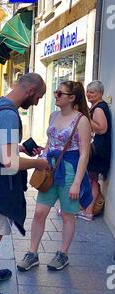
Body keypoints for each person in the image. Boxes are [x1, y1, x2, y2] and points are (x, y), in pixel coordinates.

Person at [0, 73, 48, 294]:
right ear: (31, 91)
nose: (37, 103)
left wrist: (21, 149)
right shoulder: (9, 115)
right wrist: (38, 163)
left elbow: (0, 148)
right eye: (39, 97)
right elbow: (9, 161)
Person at [17, 81, 92, 274]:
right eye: (55, 92)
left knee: (68, 215)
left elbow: (84, 153)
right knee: (40, 212)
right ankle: (32, 253)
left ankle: (63, 253)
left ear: (72, 98)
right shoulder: (53, 116)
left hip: (69, 171)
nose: (55, 95)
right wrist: (42, 158)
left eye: (60, 93)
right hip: (50, 169)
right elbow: (50, 142)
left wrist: (76, 182)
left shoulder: (81, 120)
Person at [77, 81, 112, 221]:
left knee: (92, 181)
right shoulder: (96, 107)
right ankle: (87, 209)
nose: (89, 94)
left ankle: (89, 211)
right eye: (88, 91)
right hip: (97, 149)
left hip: (98, 150)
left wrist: (85, 118)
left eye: (93, 92)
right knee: (92, 180)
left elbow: (102, 128)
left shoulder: (99, 108)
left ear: (100, 93)